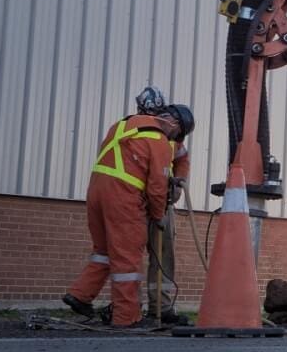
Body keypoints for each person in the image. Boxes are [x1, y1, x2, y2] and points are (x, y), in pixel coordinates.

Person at [62, 100, 186, 328]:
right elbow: (157, 187)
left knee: (104, 252)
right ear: (174, 123)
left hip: (97, 193)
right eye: (178, 134)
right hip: (123, 197)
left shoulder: (122, 125)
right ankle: (127, 317)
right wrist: (158, 216)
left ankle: (79, 295)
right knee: (128, 257)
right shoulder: (158, 139)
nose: (175, 140)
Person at [135, 89, 195, 325]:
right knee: (130, 256)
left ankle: (162, 307)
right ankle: (130, 309)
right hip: (137, 202)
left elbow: (182, 159)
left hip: (163, 201)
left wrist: (178, 183)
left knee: (164, 254)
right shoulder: (136, 130)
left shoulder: (172, 135)